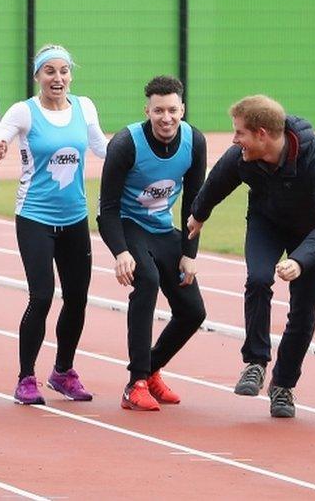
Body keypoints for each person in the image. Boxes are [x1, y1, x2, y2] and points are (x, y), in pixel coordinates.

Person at [188, 95, 315, 418]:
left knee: (303, 313)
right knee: (259, 278)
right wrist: (198, 214)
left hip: (310, 234)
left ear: (262, 133)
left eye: (239, 133)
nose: (235, 141)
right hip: (267, 223)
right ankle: (256, 362)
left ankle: (283, 386)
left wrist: (300, 260)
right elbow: (217, 180)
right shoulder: (243, 157)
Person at [0, 45, 108, 405]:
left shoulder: (84, 107)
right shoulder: (25, 111)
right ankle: (26, 378)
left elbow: (102, 148)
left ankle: (63, 372)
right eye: (49, 71)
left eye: (64, 71)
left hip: (75, 218)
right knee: (41, 296)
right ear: (37, 76)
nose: (58, 78)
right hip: (35, 216)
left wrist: (138, 153)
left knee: (78, 297)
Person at [97, 75, 207, 411]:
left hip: (164, 230)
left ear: (182, 109)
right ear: (148, 110)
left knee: (193, 311)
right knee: (147, 281)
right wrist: (120, 253)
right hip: (129, 225)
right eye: (158, 110)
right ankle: (137, 383)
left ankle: (153, 368)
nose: (166, 118)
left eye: (173, 110)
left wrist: (189, 254)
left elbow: (194, 204)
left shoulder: (194, 141)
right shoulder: (126, 144)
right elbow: (107, 210)